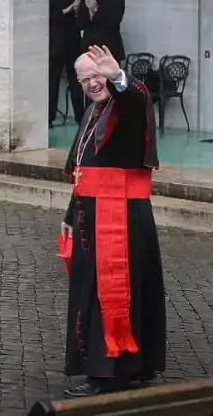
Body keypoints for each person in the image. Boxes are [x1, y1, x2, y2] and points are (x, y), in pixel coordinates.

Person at [61, 45, 165, 397]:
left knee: (115, 293)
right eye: (85, 78)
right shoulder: (94, 110)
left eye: (98, 75)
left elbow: (135, 100)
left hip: (119, 217)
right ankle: (133, 366)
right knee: (107, 293)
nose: (93, 83)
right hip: (93, 213)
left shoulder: (123, 104)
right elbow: (83, 170)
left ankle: (111, 372)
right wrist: (70, 215)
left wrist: (119, 75)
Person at [48, 0, 84, 127]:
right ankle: (49, 117)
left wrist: (76, 12)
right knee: (52, 81)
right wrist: (69, 9)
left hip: (73, 43)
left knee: (76, 81)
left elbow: (80, 19)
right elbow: (51, 16)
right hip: (56, 44)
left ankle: (80, 117)